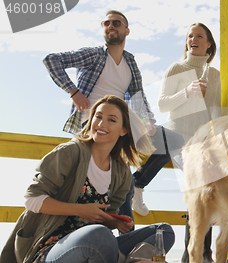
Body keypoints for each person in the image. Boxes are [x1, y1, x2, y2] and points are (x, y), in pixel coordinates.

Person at [0, 96, 175, 263]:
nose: (100, 123)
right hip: (50, 248)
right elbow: (32, 200)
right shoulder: (69, 153)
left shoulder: (121, 171)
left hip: (96, 245)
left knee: (163, 231)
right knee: (99, 235)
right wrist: (80, 210)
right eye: (98, 116)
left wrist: (115, 222)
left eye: (111, 120)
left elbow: (105, 218)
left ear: (124, 130)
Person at [42, 10, 183, 217]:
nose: (110, 26)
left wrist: (147, 121)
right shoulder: (94, 55)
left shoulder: (130, 62)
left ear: (126, 30)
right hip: (92, 126)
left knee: (173, 139)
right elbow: (51, 60)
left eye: (116, 23)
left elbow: (138, 97)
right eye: (106, 23)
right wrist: (74, 92)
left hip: (120, 125)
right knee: (119, 177)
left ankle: (138, 183)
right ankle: (126, 233)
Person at [157, 22, 221, 263]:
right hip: (178, 139)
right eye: (189, 36)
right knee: (198, 194)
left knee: (206, 195)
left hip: (203, 143)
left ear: (209, 43)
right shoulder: (177, 68)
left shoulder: (213, 74)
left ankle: (199, 255)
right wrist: (187, 92)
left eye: (199, 36)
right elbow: (163, 104)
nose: (193, 39)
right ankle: (195, 255)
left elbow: (215, 111)